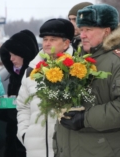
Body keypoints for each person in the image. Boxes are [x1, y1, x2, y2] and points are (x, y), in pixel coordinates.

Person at [56, 4, 120, 157]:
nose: (82, 35)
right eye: (81, 30)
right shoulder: (79, 60)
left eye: (88, 30)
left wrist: (85, 119)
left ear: (106, 31)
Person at [16, 19, 74, 157]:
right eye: (45, 39)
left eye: (53, 39)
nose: (47, 43)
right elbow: (23, 106)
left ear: (66, 43)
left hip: (69, 147)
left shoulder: (78, 68)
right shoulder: (32, 69)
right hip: (36, 148)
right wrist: (24, 134)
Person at [0, 29, 39, 157]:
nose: (11, 59)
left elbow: (35, 110)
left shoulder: (36, 76)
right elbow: (13, 109)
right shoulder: (14, 76)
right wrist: (0, 110)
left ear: (24, 54)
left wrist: (12, 113)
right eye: (9, 55)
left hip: (30, 142)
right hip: (13, 140)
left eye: (14, 55)